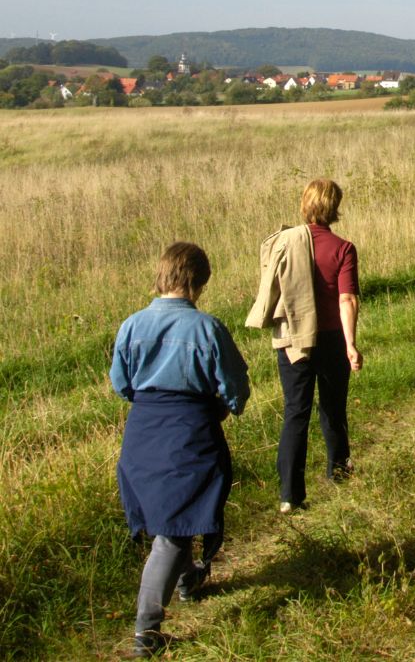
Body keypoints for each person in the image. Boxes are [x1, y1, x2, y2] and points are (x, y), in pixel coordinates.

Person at [110, 242, 250, 659]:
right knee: (172, 532)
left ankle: (189, 580)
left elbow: (122, 384)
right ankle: (145, 632)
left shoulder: (131, 325)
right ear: (198, 281)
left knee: (172, 518)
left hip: (142, 433)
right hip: (189, 432)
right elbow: (235, 388)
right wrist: (221, 409)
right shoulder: (208, 329)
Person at [247, 178, 363, 513]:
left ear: (306, 204)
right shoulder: (343, 248)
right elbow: (347, 299)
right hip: (330, 339)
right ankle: (339, 473)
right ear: (335, 207)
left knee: (295, 413)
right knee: (332, 409)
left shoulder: (285, 243)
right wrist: (351, 344)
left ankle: (289, 495)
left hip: (293, 339)